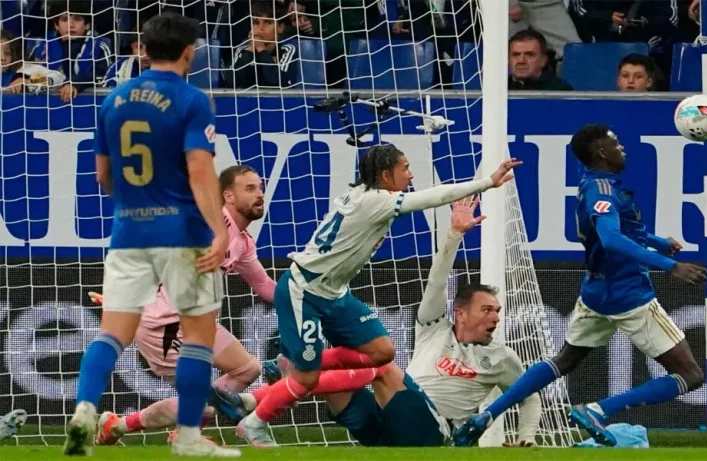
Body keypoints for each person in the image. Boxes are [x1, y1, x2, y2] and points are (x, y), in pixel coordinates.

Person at [234, 144, 521, 447]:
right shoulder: (376, 201)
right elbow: (434, 197)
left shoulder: (360, 194)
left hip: (334, 293)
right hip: (305, 290)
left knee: (382, 352)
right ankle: (254, 422)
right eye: (405, 168)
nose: (411, 176)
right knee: (309, 377)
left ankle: (286, 369)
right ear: (386, 174)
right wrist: (488, 182)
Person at [453, 124, 707, 447]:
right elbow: (611, 238)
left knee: (564, 361)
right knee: (691, 375)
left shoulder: (593, 186)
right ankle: (598, 410)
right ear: (602, 152)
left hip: (596, 292)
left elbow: (610, 230)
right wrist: (671, 266)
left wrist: (657, 242)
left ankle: (486, 415)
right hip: (628, 294)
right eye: (616, 144)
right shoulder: (602, 190)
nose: (622, 149)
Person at [64, 12, 239, 458]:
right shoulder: (191, 99)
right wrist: (219, 231)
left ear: (142, 49)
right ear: (189, 52)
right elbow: (201, 172)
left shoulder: (114, 100)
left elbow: (103, 175)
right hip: (182, 233)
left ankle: (85, 408)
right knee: (199, 338)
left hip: (127, 232)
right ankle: (187, 438)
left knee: (110, 335)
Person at [92, 165, 275, 446]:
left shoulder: (242, 241)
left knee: (246, 369)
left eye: (260, 187)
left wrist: (304, 299)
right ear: (227, 196)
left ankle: (119, 426)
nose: (259, 194)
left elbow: (263, 286)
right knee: (202, 400)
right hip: (162, 323)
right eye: (249, 189)